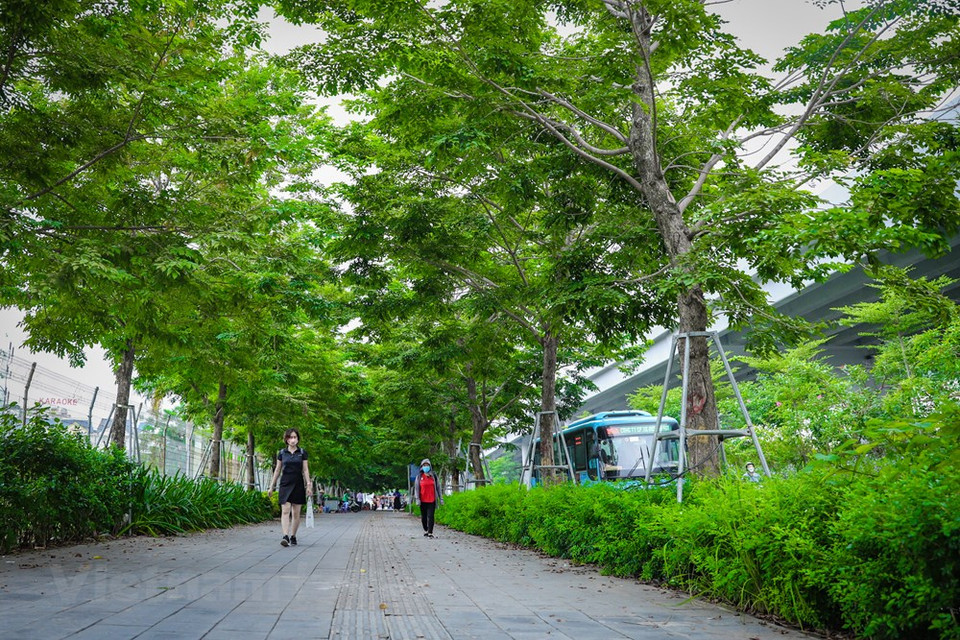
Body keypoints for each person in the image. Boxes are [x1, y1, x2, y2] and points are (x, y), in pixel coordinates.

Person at [268, 428, 312, 547]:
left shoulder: (302, 453)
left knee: (296, 513)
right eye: (290, 437)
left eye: (295, 437)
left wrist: (308, 484)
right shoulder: (282, 453)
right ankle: (285, 536)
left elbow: (305, 469)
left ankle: (293, 536)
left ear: (298, 439)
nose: (293, 440)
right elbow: (277, 470)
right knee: (285, 510)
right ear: (286, 439)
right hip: (285, 484)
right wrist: (271, 486)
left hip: (298, 484)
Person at [412, 458, 442, 538]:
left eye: (427, 465)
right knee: (424, 517)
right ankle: (426, 529)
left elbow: (438, 487)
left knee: (431, 516)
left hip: (432, 500)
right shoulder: (419, 477)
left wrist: (440, 498)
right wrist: (417, 499)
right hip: (422, 500)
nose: (426, 467)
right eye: (424, 465)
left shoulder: (434, 476)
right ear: (422, 467)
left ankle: (430, 532)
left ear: (430, 466)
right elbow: (417, 488)